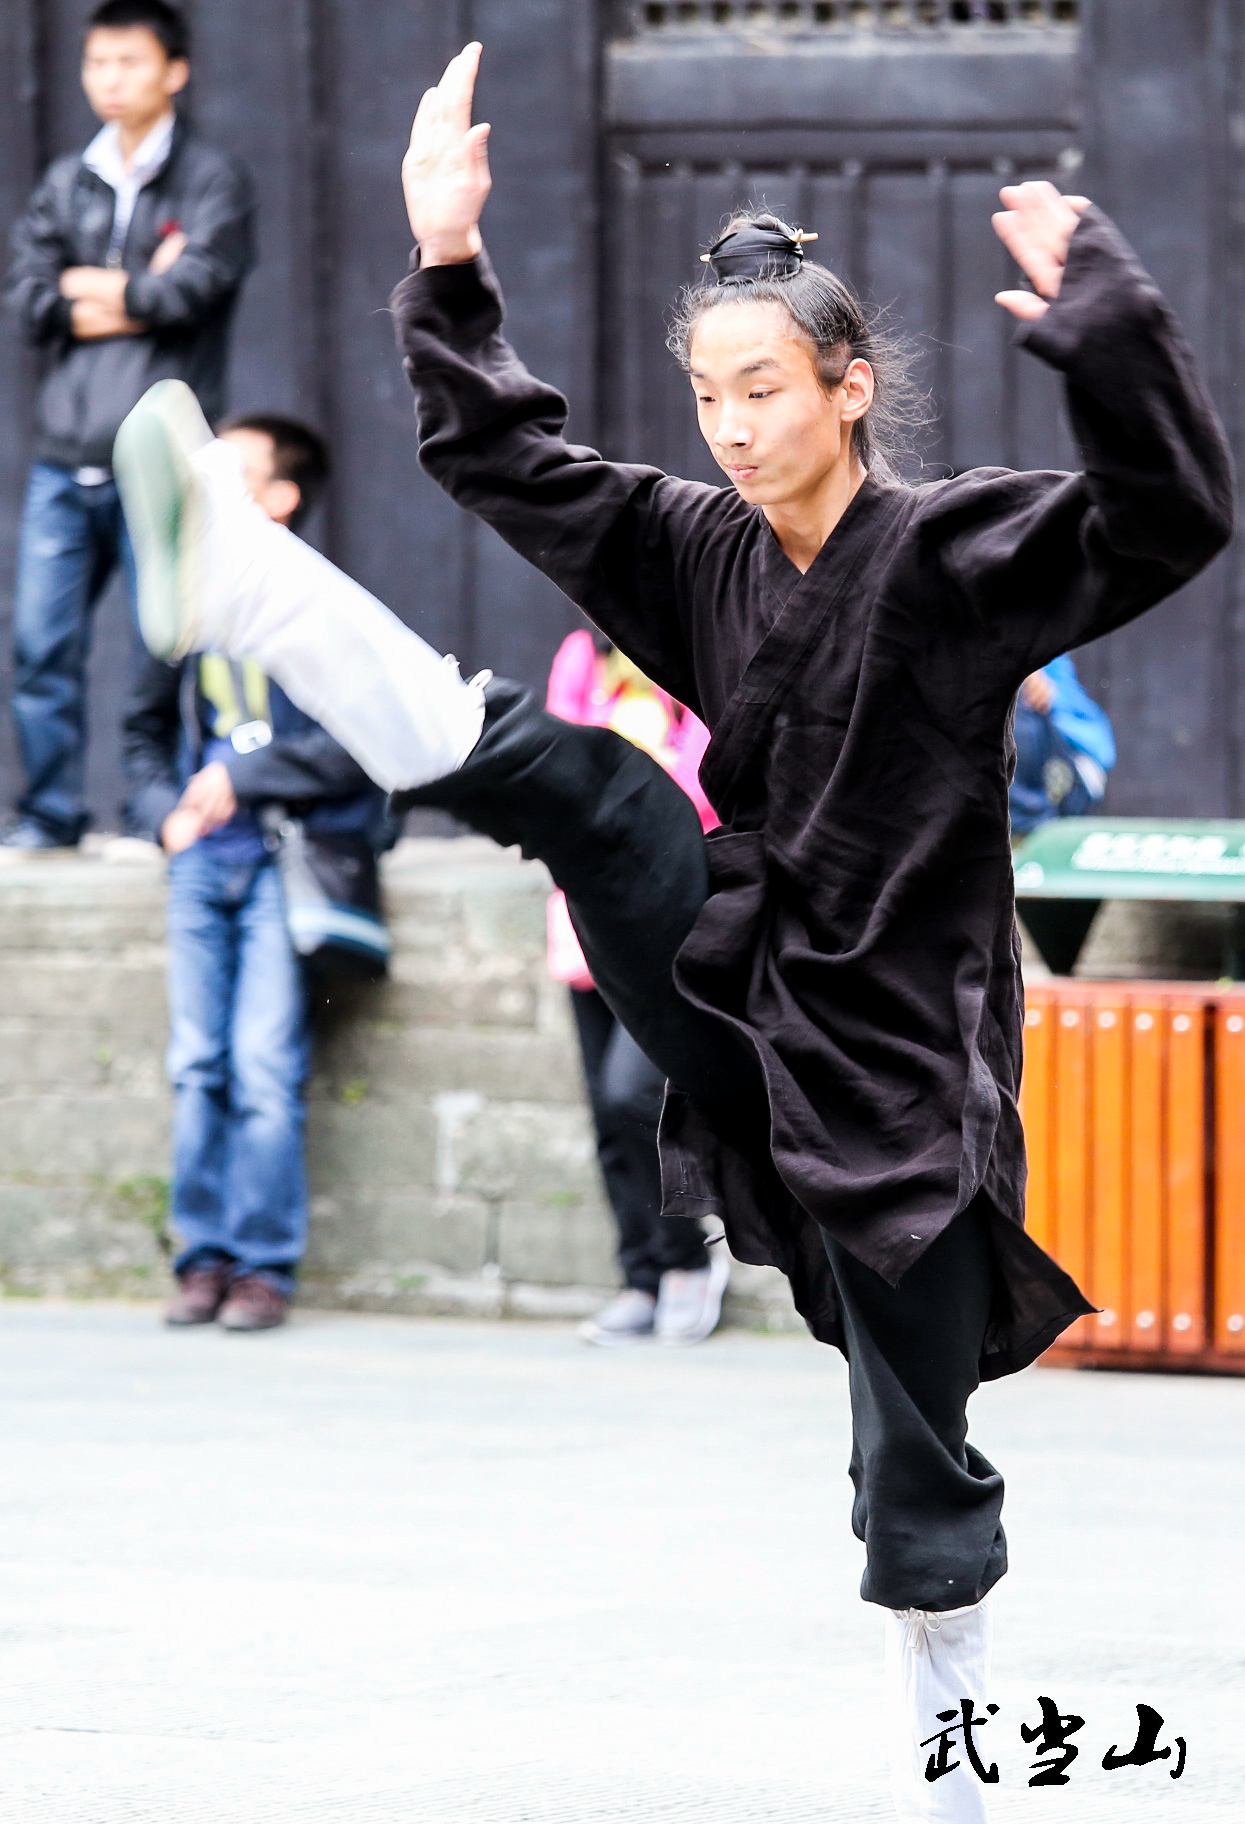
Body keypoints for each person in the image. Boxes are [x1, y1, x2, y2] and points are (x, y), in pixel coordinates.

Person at [111, 43, 1233, 1820]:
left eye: (766, 387)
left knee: (917, 1461)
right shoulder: (690, 543)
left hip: (906, 1082)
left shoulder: (953, 554)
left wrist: (1104, 322)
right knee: (601, 788)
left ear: (848, 389)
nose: (728, 422)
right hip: (734, 972)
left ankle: (950, 1782)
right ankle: (255, 582)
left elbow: (1169, 516)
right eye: (707, 390)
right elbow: (508, 452)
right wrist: (447, 255)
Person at [122, 415, 387, 1332]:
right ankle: (201, 1259)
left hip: (288, 862)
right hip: (202, 866)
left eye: (232, 473)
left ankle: (264, 1268)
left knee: (264, 1064)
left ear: (280, 499)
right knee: (197, 1064)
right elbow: (140, 730)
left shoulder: (317, 603)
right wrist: (163, 813)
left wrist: (240, 775)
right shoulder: (180, 599)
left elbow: (357, 742)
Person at [4, 0, 254, 851]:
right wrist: (129, 289)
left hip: (162, 459)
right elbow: (29, 301)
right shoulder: (65, 181)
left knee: (166, 647)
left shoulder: (212, 179)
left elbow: (191, 291)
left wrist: (93, 286)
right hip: (64, 453)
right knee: (40, 645)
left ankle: (161, 812)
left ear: (173, 71)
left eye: (127, 62)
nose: (108, 80)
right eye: (96, 64)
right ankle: (48, 814)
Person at [545, 630, 730, 1347]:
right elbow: (559, 769)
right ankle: (640, 1276)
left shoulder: (689, 654)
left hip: (672, 914)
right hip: (585, 912)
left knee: (635, 1093)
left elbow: (704, 787)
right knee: (603, 1106)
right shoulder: (581, 658)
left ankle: (688, 1259)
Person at [1009, 653, 1116, 837]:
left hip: (1074, 766)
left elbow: (1104, 751)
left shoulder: (1024, 640)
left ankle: (1027, 834)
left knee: (1013, 696)